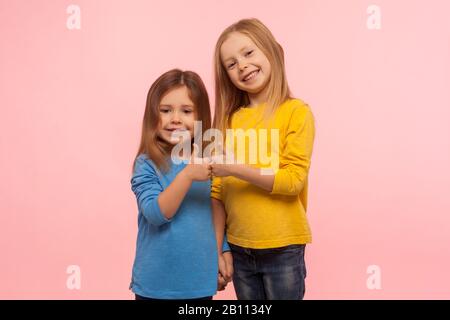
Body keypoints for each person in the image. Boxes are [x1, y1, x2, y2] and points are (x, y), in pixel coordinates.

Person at [211, 18, 315, 300]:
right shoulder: (228, 120)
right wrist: (219, 248)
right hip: (239, 249)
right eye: (231, 64)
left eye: (248, 53)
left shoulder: (296, 112)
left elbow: (292, 180)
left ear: (271, 51)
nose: (242, 65)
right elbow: (217, 191)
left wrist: (235, 168)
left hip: (283, 248)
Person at [130, 69, 231, 300]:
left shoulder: (209, 160)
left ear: (200, 118)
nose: (175, 118)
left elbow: (216, 210)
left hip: (199, 284)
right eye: (165, 111)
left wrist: (223, 250)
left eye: (186, 111)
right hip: (155, 286)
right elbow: (156, 214)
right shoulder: (146, 163)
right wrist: (187, 175)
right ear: (152, 116)